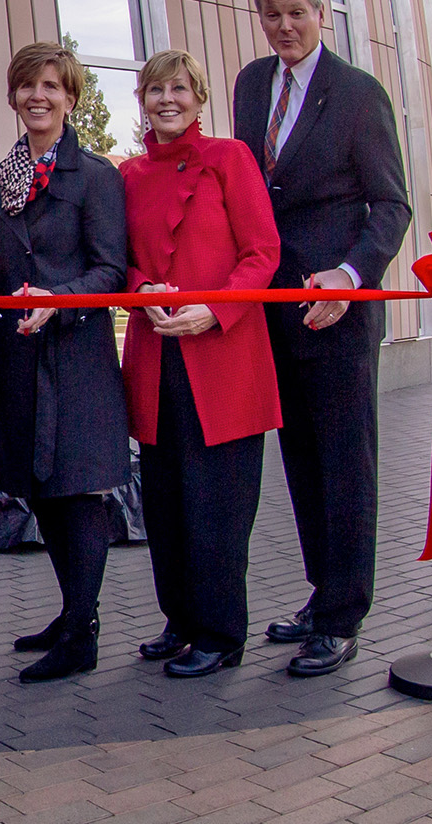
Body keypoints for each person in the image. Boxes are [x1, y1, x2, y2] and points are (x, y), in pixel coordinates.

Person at [233, 0, 411, 677]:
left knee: (345, 463)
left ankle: (343, 618)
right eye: (272, 15)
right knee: (302, 459)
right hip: (273, 305)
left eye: (296, 14)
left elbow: (392, 205)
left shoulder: (360, 95)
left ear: (320, 15)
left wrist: (350, 273)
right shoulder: (252, 85)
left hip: (335, 306)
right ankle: (320, 591)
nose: (284, 27)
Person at [120, 50, 282, 677]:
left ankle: (220, 631)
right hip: (157, 351)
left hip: (223, 354)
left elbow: (262, 252)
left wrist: (213, 310)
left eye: (179, 89)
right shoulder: (129, 174)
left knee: (218, 503)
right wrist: (140, 291)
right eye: (155, 89)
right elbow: (122, 258)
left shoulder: (230, 159)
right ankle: (181, 619)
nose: (167, 99)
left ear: (199, 96)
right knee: (165, 502)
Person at [0, 42, 130, 683]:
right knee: (38, 488)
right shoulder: (0, 177)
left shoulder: (95, 177)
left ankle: (84, 630)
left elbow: (111, 270)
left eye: (51, 86)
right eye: (26, 86)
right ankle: (70, 612)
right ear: (14, 96)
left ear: (70, 97)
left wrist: (58, 303)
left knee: (75, 489)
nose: (38, 96)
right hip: (18, 356)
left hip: (75, 357)